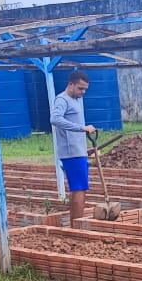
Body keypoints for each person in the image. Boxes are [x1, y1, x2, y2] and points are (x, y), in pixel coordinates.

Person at [50, 70, 96, 221]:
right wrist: (81, 128)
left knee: (81, 188)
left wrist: (85, 148)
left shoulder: (76, 100)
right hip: (71, 153)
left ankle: (76, 223)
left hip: (78, 151)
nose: (83, 92)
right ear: (71, 84)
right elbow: (55, 119)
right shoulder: (62, 99)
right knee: (79, 189)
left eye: (85, 89)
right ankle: (76, 225)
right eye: (80, 88)